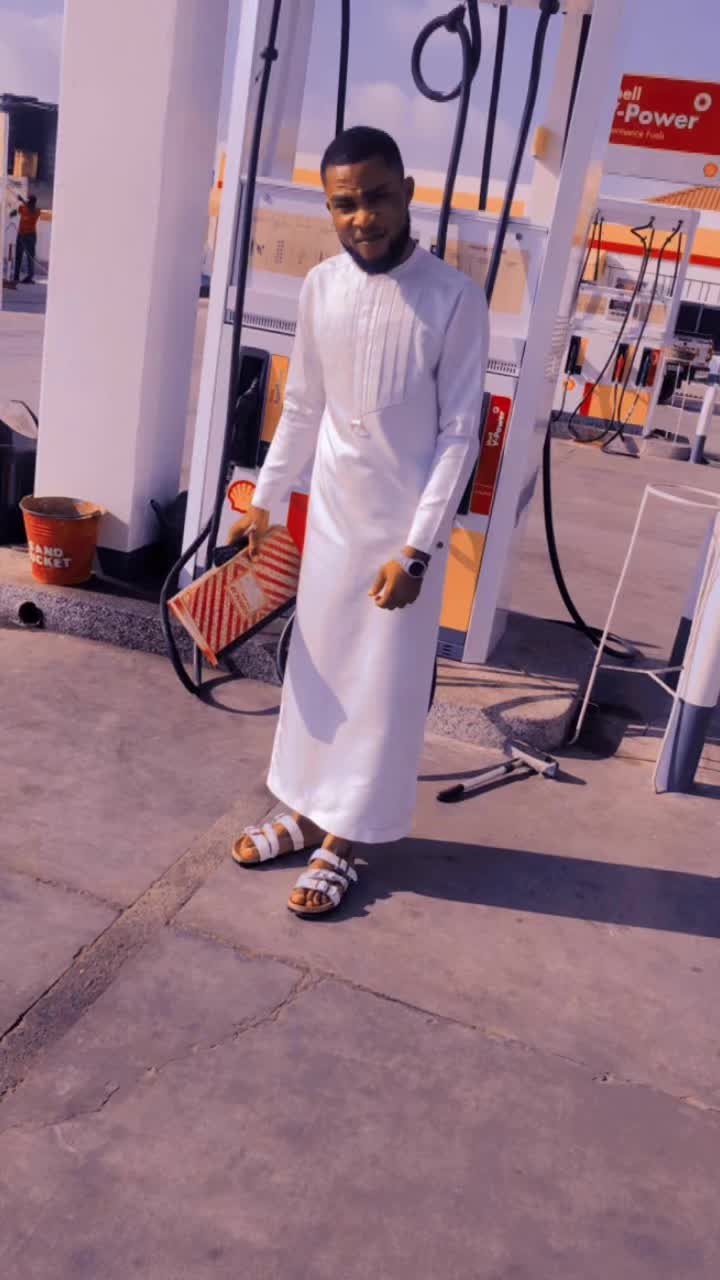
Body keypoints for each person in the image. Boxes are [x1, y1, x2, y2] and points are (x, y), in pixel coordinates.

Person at [229, 126, 489, 918]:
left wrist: (418, 551)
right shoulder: (320, 287)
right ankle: (307, 810)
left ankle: (346, 838)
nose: (363, 217)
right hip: (333, 525)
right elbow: (303, 405)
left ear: (407, 192)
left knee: (381, 690)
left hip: (402, 537)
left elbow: (460, 434)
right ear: (329, 208)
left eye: (377, 196)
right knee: (317, 673)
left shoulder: (453, 297)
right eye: (345, 203)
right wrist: (266, 501)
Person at [11, 195, 41, 284]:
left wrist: (22, 200)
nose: (28, 202)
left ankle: (29, 277)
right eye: (28, 201)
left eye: (29, 201)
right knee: (18, 256)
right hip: (21, 235)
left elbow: (32, 211)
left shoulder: (37, 211)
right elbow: (16, 211)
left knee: (30, 257)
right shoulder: (23, 207)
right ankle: (16, 276)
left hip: (30, 236)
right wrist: (13, 211)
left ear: (33, 203)